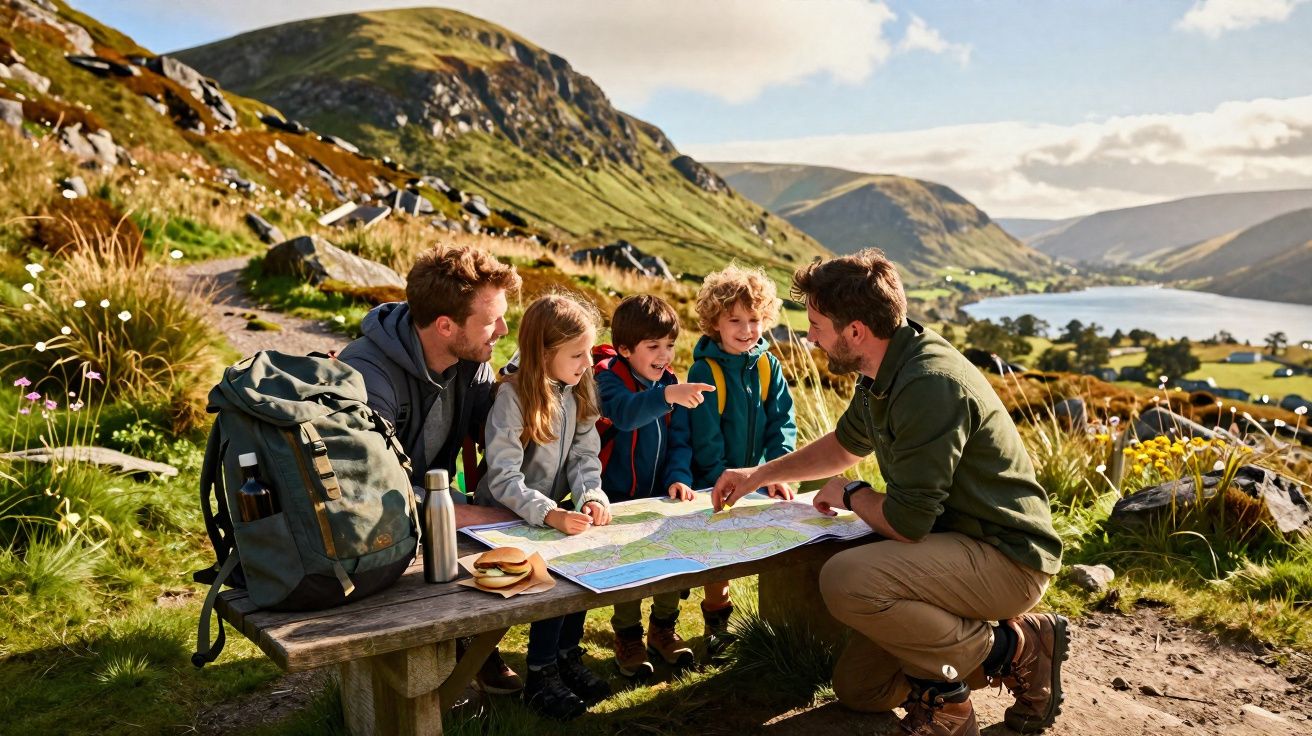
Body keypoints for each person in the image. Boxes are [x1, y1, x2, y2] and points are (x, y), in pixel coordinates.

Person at [712, 249, 1066, 736]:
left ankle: (1011, 655)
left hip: (1005, 557)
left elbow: (906, 521)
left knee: (846, 579)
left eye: (816, 324)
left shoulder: (927, 384)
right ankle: (982, 658)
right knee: (864, 691)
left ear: (855, 331)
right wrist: (756, 473)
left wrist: (854, 493)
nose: (809, 336)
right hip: (948, 547)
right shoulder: (883, 364)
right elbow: (843, 444)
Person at [338, 243, 524, 695]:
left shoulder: (470, 360)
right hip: (373, 522)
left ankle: (474, 643)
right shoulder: (366, 375)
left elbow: (494, 430)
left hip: (439, 502)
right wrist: (466, 514)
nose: (501, 330)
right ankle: (442, 654)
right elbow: (362, 489)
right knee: (480, 529)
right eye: (490, 321)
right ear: (445, 325)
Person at [474, 293, 613, 720]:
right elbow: (502, 477)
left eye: (588, 351)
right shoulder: (512, 398)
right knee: (553, 574)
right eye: (578, 353)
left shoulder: (577, 389)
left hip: (549, 513)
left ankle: (567, 656)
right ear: (544, 352)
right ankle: (541, 673)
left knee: (584, 563)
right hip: (501, 518)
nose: (588, 362)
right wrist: (548, 512)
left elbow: (583, 458)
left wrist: (591, 496)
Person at [595, 295, 714, 676]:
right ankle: (627, 635)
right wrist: (666, 395)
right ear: (625, 349)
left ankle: (664, 628)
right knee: (628, 567)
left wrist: (679, 477)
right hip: (616, 497)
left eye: (669, 345)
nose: (664, 355)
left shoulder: (670, 382)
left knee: (669, 562)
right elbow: (626, 416)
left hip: (660, 496)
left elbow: (680, 440)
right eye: (653, 347)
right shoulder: (608, 380)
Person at [687, 265, 797, 658]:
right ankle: (717, 626)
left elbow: (782, 421)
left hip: (761, 477)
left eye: (754, 320)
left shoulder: (769, 366)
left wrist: (777, 468)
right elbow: (705, 435)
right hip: (714, 480)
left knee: (774, 542)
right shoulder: (705, 369)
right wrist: (722, 475)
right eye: (735, 320)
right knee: (719, 557)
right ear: (714, 322)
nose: (747, 330)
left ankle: (781, 625)